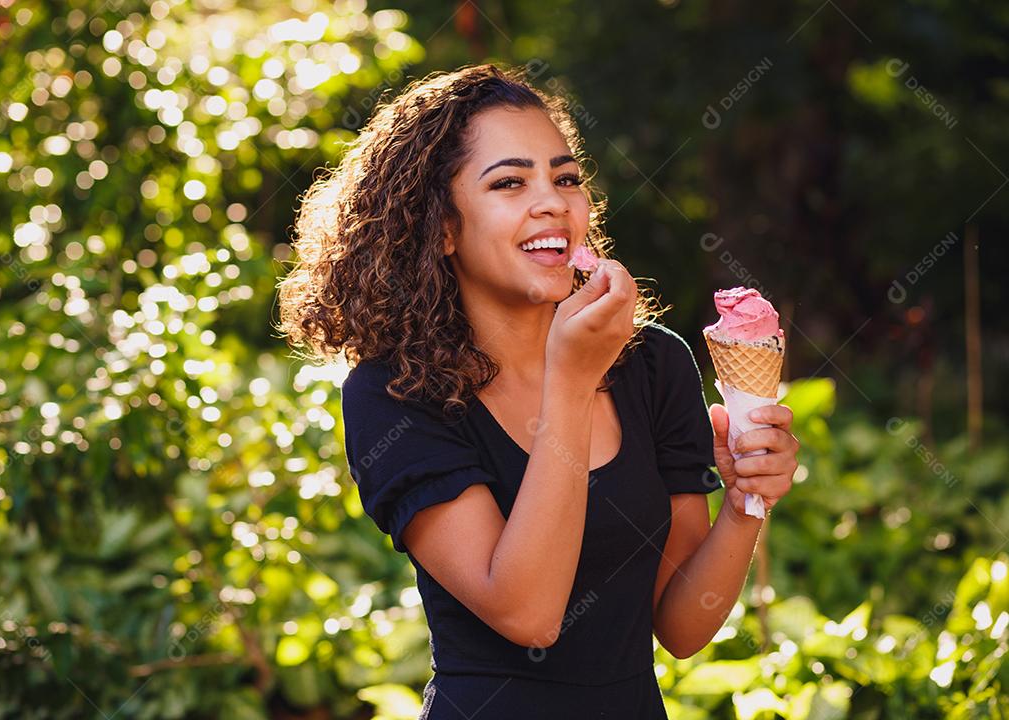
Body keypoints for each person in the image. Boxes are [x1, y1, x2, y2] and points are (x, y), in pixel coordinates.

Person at [276, 63, 800, 719]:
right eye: (509, 182)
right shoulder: (395, 394)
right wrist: (572, 386)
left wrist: (749, 499)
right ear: (439, 225)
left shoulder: (652, 365)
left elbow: (682, 628)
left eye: (566, 178)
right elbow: (528, 614)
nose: (552, 200)